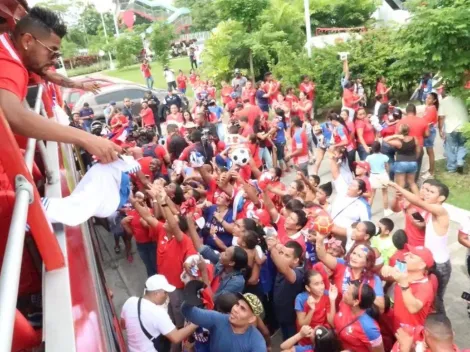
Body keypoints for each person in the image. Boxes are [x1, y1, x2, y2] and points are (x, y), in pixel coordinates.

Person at [0, 6, 121, 166]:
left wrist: (77, 84)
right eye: (52, 52)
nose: (55, 60)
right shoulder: (9, 65)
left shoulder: (11, 47)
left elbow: (46, 73)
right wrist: (86, 139)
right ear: (27, 41)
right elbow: (13, 116)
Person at [388, 180, 451, 314]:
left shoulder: (440, 210)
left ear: (441, 198)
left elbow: (418, 202)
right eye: (426, 190)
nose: (426, 194)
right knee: (427, 294)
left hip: (439, 265)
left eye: (431, 192)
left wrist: (397, 186)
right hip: (429, 261)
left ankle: (440, 328)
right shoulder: (431, 211)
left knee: (436, 299)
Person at [120, 275, 197, 352]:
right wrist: (196, 324)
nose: (167, 296)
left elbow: (123, 325)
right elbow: (176, 337)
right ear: (156, 293)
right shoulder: (158, 313)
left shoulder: (130, 301)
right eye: (165, 293)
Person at [316, 233, 385, 312]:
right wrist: (319, 239)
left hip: (355, 319)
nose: (354, 257)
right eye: (354, 253)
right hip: (334, 313)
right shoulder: (342, 265)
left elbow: (381, 308)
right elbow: (323, 256)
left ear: (367, 262)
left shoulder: (374, 279)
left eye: (359, 256)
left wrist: (361, 293)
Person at [181, 292, 267, 352]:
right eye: (237, 304)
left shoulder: (257, 342)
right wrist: (191, 295)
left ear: (251, 319)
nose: (235, 309)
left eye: (243, 309)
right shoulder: (218, 319)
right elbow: (187, 311)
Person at [381, 245, 435, 331]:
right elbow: (385, 274)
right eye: (408, 253)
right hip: (397, 327)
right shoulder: (403, 271)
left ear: (421, 265)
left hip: (412, 336)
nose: (406, 256)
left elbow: (413, 308)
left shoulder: (425, 286)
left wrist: (404, 284)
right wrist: (386, 269)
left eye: (411, 257)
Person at [329, 282, 385, 352]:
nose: (344, 293)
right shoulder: (344, 303)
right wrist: (332, 300)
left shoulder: (369, 328)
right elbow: (332, 323)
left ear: (356, 302)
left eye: (348, 293)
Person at [267, 238, 305, 341]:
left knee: (291, 343)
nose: (282, 257)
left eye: (287, 255)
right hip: (281, 315)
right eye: (281, 253)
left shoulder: (299, 273)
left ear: (296, 260)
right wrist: (275, 247)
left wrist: (274, 249)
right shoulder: (281, 267)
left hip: (291, 320)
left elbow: (284, 268)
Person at [396, 104, 429, 180]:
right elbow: (427, 134)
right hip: (418, 146)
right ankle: (413, 184)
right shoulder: (422, 121)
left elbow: (397, 136)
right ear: (415, 111)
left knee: (403, 168)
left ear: (406, 112)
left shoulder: (400, 122)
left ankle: (404, 185)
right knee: (416, 167)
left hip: (403, 148)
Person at [438, 93, 469, 174]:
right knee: (463, 145)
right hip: (463, 126)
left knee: (450, 148)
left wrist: (440, 129)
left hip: (450, 127)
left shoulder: (444, 101)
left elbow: (441, 117)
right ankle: (460, 162)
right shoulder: (461, 97)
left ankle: (452, 168)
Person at [366, 141, 391, 215]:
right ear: (380, 148)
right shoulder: (384, 157)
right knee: (385, 193)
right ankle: (386, 210)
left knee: (372, 194)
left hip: (373, 175)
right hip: (383, 175)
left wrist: (369, 174)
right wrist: (387, 175)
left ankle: (368, 211)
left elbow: (367, 167)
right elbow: (387, 167)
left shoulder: (369, 157)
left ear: (372, 148)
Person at [423, 92, 439, 176]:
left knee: (430, 151)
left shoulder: (431, 108)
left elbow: (427, 122)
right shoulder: (428, 107)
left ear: (434, 100)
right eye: (426, 97)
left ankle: (431, 170)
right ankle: (430, 169)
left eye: (429, 98)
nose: (427, 99)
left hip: (429, 130)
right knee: (429, 151)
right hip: (428, 129)